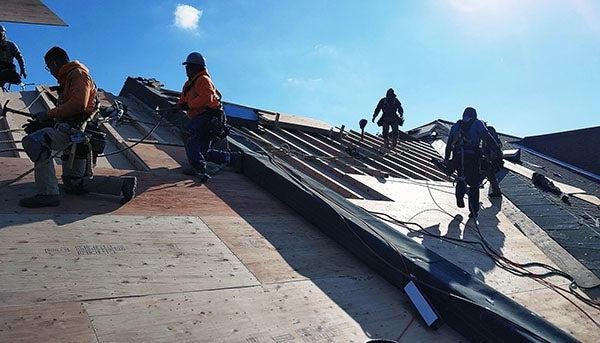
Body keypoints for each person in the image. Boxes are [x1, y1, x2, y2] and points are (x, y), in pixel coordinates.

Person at [19, 46, 137, 208]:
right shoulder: (70, 78)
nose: (51, 72)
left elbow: (78, 105)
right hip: (79, 137)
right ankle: (122, 185)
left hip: (77, 133)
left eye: (49, 67)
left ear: (54, 63)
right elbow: (69, 111)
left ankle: (47, 194)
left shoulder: (77, 75)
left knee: (35, 142)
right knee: (74, 184)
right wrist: (45, 123)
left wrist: (47, 115)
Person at [176, 52, 241, 179]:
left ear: (198, 67)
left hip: (210, 117)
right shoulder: (188, 84)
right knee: (202, 150)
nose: (187, 70)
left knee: (189, 134)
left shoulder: (203, 80)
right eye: (186, 67)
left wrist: (188, 106)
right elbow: (183, 100)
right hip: (202, 117)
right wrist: (177, 106)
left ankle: (198, 167)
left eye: (189, 67)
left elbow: (207, 98)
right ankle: (232, 158)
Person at [444, 107, 501, 218]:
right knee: (474, 184)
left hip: (458, 157)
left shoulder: (456, 126)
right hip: (472, 157)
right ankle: (473, 211)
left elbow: (449, 144)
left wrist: (447, 159)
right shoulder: (477, 123)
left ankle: (459, 197)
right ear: (474, 115)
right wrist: (497, 151)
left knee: (461, 177)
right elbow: (487, 137)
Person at [0, 25, 27, 90]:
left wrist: (23, 69)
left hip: (9, 68)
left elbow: (19, 57)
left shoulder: (11, 45)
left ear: (4, 33)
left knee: (15, 78)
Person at [482, 124, 503, 197]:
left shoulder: (488, 133)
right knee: (491, 175)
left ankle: (477, 184)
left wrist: (488, 157)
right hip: (496, 159)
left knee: (485, 171)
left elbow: (490, 148)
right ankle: (497, 191)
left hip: (492, 159)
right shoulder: (492, 133)